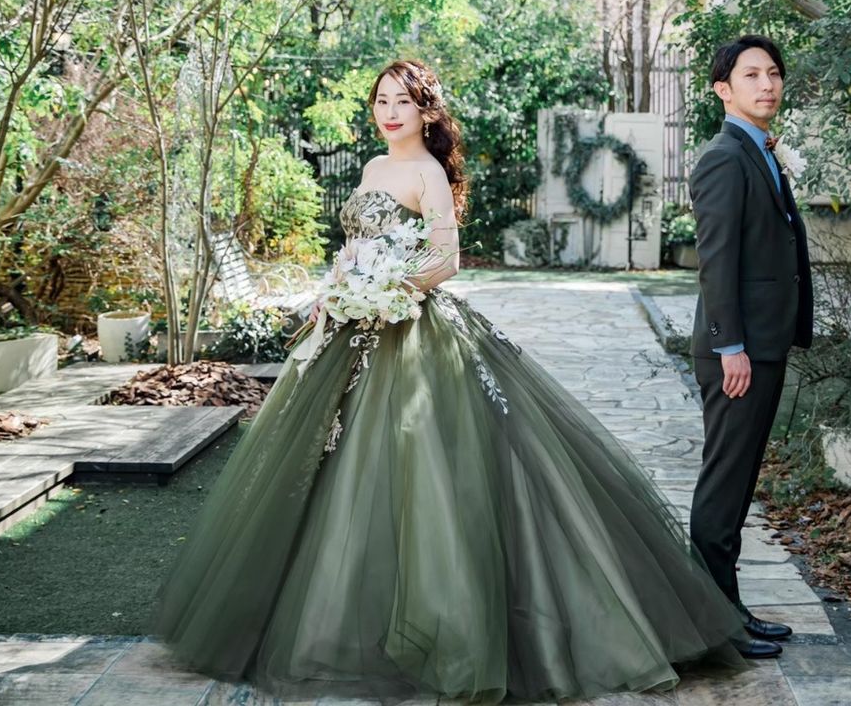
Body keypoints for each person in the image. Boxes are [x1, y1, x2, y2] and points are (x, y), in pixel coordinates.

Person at [157, 59, 749, 703]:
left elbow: (446, 260)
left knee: (422, 466)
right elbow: (357, 248)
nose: (390, 112)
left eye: (403, 102)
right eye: (381, 101)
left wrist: (386, 291)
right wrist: (344, 287)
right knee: (335, 464)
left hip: (412, 328)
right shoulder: (372, 168)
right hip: (354, 330)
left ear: (425, 112)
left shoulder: (428, 173)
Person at [688, 36, 814, 659]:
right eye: (751, 75)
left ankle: (730, 610)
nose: (767, 84)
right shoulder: (723, 158)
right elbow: (717, 262)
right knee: (724, 485)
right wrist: (730, 346)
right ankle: (714, 626)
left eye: (773, 73)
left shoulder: (758, 150)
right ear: (724, 89)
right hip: (736, 355)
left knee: (738, 488)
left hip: (763, 345)